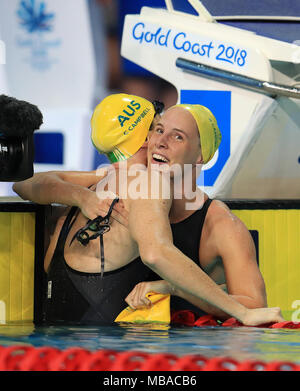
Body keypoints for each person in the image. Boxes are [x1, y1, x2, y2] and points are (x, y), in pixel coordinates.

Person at [13, 93, 284, 326]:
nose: (160, 142)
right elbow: (28, 183)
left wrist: (172, 287)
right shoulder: (122, 184)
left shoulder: (220, 224)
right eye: (157, 130)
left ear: (201, 156)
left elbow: (253, 307)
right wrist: (82, 198)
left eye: (177, 137)